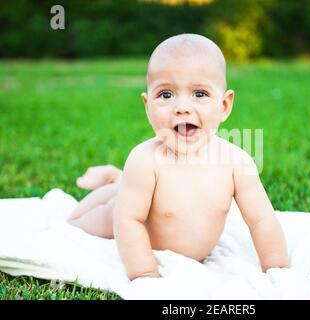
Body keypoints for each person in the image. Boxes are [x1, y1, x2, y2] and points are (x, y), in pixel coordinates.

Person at [68, 33, 288, 280]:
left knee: (127, 188)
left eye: (199, 94)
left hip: (139, 190)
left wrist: (277, 270)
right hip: (120, 212)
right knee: (77, 222)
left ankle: (116, 178)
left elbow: (262, 220)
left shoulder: (237, 162)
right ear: (147, 105)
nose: (182, 106)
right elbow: (128, 220)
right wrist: (144, 273)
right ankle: (115, 183)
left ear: (224, 106)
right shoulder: (144, 160)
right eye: (166, 95)